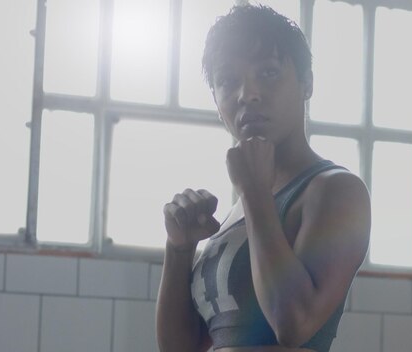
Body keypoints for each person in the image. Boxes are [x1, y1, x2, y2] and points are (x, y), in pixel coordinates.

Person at [156, 4, 371, 352]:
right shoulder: (236, 212)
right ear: (215, 98)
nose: (247, 94)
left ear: (307, 84)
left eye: (268, 73)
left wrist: (256, 192)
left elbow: (295, 324)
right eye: (227, 81)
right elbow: (179, 349)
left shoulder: (336, 191)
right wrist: (179, 248)